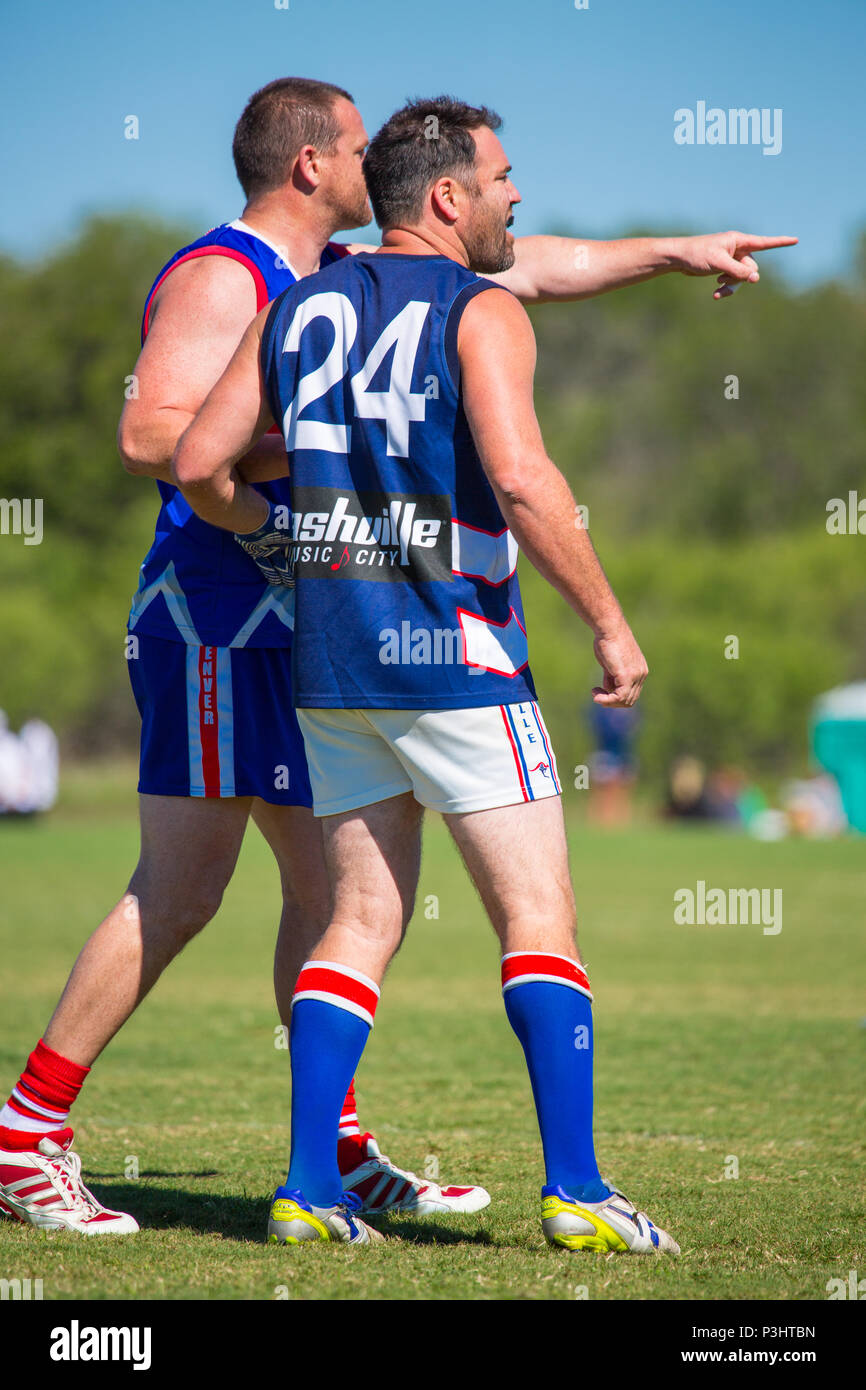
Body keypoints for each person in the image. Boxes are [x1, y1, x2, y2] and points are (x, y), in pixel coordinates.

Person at [0, 76, 795, 1237]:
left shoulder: (336, 281)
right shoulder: (229, 275)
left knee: (339, 903)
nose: (371, 154)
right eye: (354, 140)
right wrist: (339, 455)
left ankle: (328, 1161)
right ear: (311, 165)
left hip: (322, 629)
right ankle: (28, 1132)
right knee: (183, 889)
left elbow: (539, 263)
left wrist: (675, 250)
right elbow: (150, 434)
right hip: (222, 617)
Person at [171, 96, 683, 1255]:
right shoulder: (479, 308)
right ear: (447, 197)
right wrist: (609, 624)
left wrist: (279, 536)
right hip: (459, 657)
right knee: (538, 916)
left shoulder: (297, 307)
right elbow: (525, 480)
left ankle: (308, 1190)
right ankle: (576, 1189)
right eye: (501, 178)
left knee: (356, 919)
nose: (515, 195)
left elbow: (199, 462)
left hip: (332, 663)